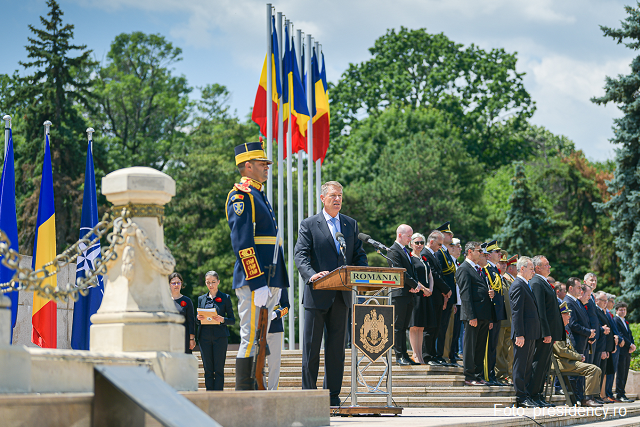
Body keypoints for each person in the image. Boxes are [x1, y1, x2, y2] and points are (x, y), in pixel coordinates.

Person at [294, 181, 368, 407]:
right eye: (333, 195)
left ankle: (332, 395)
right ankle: (310, 395)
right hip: (317, 294)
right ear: (322, 198)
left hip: (342, 295)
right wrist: (312, 275)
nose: (338, 199)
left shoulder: (350, 224)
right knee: (311, 349)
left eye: (341, 196)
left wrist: (361, 274)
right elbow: (300, 256)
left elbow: (359, 256)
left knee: (336, 351)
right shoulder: (309, 224)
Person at [226, 142, 289, 390]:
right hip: (257, 280)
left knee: (260, 340)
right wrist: (257, 282)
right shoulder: (241, 195)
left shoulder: (258, 194)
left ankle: (258, 393)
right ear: (247, 166)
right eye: (262, 164)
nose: (266, 168)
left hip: (270, 278)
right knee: (250, 338)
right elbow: (243, 243)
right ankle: (244, 396)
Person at [388, 225, 427, 365]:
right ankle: (399, 356)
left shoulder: (405, 251)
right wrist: (415, 285)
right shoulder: (393, 251)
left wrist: (414, 285)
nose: (411, 239)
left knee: (404, 326)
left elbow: (412, 271)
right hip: (399, 294)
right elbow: (400, 271)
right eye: (409, 236)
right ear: (400, 235)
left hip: (408, 293)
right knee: (398, 326)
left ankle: (405, 355)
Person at [456, 241, 495, 385]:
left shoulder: (479, 269)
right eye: (479, 251)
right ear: (470, 251)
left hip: (483, 315)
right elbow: (465, 295)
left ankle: (478, 374)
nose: (481, 254)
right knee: (470, 346)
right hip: (473, 316)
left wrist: (489, 293)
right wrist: (470, 315)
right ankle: (469, 375)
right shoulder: (464, 269)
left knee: (480, 346)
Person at [529, 255, 564, 407]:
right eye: (546, 265)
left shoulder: (543, 281)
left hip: (550, 332)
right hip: (544, 333)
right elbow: (540, 310)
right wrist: (546, 332)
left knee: (544, 365)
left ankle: (539, 395)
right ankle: (533, 394)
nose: (549, 267)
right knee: (539, 363)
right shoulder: (536, 282)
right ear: (538, 268)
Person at [554, 302, 603, 407]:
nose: (569, 316)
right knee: (593, 369)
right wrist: (578, 356)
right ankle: (588, 399)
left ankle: (590, 397)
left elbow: (570, 348)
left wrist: (577, 355)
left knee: (597, 369)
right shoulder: (557, 330)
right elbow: (561, 351)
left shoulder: (564, 329)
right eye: (566, 314)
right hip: (562, 363)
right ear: (560, 315)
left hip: (568, 361)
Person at [196, 271, 236, 391]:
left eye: (213, 282)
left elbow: (232, 320)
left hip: (220, 337)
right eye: (208, 282)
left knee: (218, 369)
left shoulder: (225, 298)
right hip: (204, 337)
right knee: (207, 369)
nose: (211, 285)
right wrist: (198, 319)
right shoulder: (201, 299)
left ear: (218, 282)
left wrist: (223, 319)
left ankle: (218, 395)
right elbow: (197, 321)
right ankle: (209, 394)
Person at [509, 256, 540, 407]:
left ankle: (526, 394)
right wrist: (519, 334)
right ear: (522, 269)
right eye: (531, 269)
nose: (533, 272)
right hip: (523, 334)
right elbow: (516, 312)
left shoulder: (525, 284)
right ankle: (520, 397)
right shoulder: (518, 285)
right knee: (520, 366)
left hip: (530, 333)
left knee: (527, 366)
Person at [421, 231, 452, 366]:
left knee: (436, 327)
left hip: (438, 297)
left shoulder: (433, 254)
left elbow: (441, 275)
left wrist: (444, 295)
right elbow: (433, 274)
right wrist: (446, 289)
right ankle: (427, 356)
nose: (441, 246)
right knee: (430, 328)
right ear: (431, 241)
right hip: (430, 296)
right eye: (439, 244)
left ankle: (433, 355)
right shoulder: (425, 254)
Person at [563, 277, 594, 403]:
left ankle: (579, 398)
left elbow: (585, 320)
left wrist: (589, 336)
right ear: (570, 288)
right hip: (575, 342)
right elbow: (573, 324)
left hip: (582, 342)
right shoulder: (568, 301)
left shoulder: (576, 302)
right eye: (578, 287)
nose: (581, 290)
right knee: (574, 373)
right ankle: (573, 399)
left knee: (580, 373)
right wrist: (588, 332)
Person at [482, 240, 507, 386]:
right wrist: (491, 316)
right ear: (489, 255)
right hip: (492, 314)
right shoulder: (486, 270)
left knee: (493, 346)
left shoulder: (494, 270)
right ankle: (487, 375)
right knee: (488, 347)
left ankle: (491, 374)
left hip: (498, 314)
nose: (499, 254)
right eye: (496, 252)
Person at [408, 233, 434, 364]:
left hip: (426, 295)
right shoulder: (410, 258)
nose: (419, 245)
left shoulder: (424, 258)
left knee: (421, 326)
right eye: (417, 242)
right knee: (414, 325)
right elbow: (413, 278)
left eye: (422, 242)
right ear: (411, 243)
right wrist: (424, 289)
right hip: (416, 293)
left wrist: (431, 289)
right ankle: (415, 353)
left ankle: (420, 354)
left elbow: (430, 275)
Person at [435, 222, 458, 366]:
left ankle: (441, 355)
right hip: (444, 295)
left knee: (445, 328)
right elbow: (440, 275)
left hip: (449, 297)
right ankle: (438, 354)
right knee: (441, 327)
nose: (451, 236)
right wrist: (445, 294)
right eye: (448, 234)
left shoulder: (445, 252)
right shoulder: (439, 252)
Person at [495, 252, 515, 384]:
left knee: (508, 350)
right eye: (501, 263)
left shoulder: (506, 280)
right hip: (500, 320)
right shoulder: (495, 278)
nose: (504, 265)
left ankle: (508, 374)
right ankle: (500, 375)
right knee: (499, 349)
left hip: (509, 320)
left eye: (504, 263)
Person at [443, 238, 463, 365]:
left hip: (458, 301)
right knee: (449, 331)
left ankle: (453, 353)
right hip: (452, 300)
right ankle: (448, 354)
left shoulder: (456, 263)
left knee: (456, 331)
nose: (460, 249)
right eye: (457, 246)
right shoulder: (450, 262)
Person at [266, 286, 290, 390]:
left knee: (274, 363)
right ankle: (260, 390)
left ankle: (272, 391)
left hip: (274, 326)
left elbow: (286, 306)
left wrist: (276, 314)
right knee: (258, 363)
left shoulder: (280, 284)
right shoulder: (256, 279)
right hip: (257, 325)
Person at [594, 291, 614, 401]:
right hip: (599, 347)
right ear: (597, 300)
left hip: (605, 348)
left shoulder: (604, 312)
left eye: (607, 300)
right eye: (603, 300)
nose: (606, 303)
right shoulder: (596, 311)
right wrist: (603, 349)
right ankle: (596, 395)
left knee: (602, 372)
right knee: (598, 372)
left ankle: (599, 395)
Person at [613, 302, 636, 402]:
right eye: (621, 309)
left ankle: (623, 393)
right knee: (621, 372)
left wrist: (632, 344)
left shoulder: (625, 321)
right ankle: (619, 394)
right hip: (621, 350)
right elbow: (620, 334)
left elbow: (629, 335)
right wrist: (629, 344)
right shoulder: (616, 320)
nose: (623, 311)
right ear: (617, 310)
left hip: (627, 350)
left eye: (624, 310)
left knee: (625, 372)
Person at [169, 272, 196, 354]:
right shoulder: (165, 301)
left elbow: (191, 322)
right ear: (169, 285)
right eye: (173, 283)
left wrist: (192, 339)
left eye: (178, 282)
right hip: (168, 338)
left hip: (184, 338)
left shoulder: (187, 301)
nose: (176, 285)